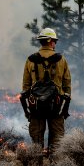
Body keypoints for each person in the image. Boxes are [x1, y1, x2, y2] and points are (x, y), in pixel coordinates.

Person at [22, 27, 71, 156]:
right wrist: (64, 106)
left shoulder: (30, 60)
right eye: (54, 41)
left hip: (36, 106)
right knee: (57, 138)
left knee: (36, 138)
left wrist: (28, 109)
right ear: (50, 41)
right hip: (56, 105)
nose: (55, 43)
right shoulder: (61, 60)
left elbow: (26, 86)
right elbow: (67, 85)